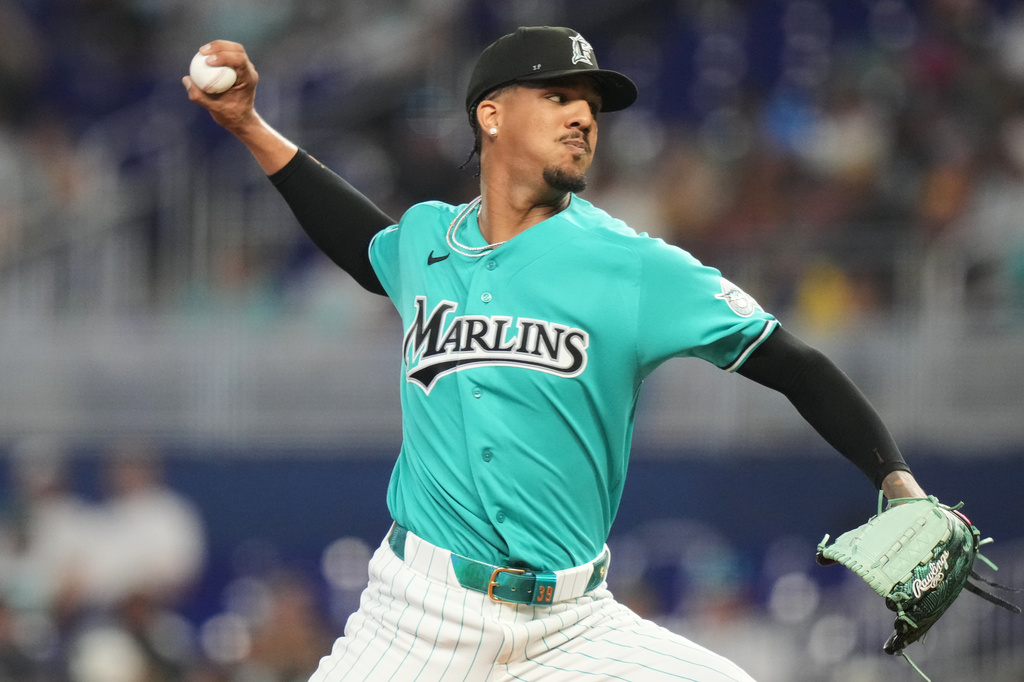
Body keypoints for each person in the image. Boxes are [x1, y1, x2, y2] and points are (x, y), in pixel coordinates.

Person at [184, 26, 928, 682]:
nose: (582, 115)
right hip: (418, 616)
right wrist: (248, 124)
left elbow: (793, 361)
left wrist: (897, 483)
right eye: (559, 96)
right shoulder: (425, 240)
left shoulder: (634, 266)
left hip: (574, 627)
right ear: (492, 113)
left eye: (590, 106)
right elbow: (358, 242)